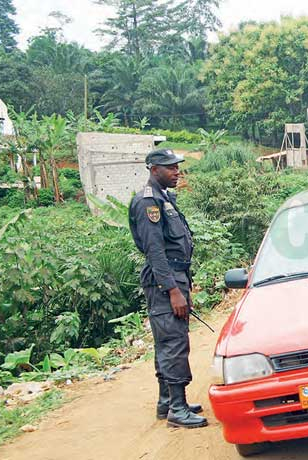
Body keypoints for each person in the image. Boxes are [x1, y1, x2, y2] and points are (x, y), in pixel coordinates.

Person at [128, 149, 208, 429]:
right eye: (170, 168)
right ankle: (177, 408)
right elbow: (155, 251)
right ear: (153, 170)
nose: (177, 172)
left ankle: (166, 402)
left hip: (175, 277)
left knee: (168, 339)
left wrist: (183, 286)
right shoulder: (148, 202)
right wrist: (173, 290)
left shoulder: (164, 199)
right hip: (165, 281)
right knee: (174, 342)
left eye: (177, 167)